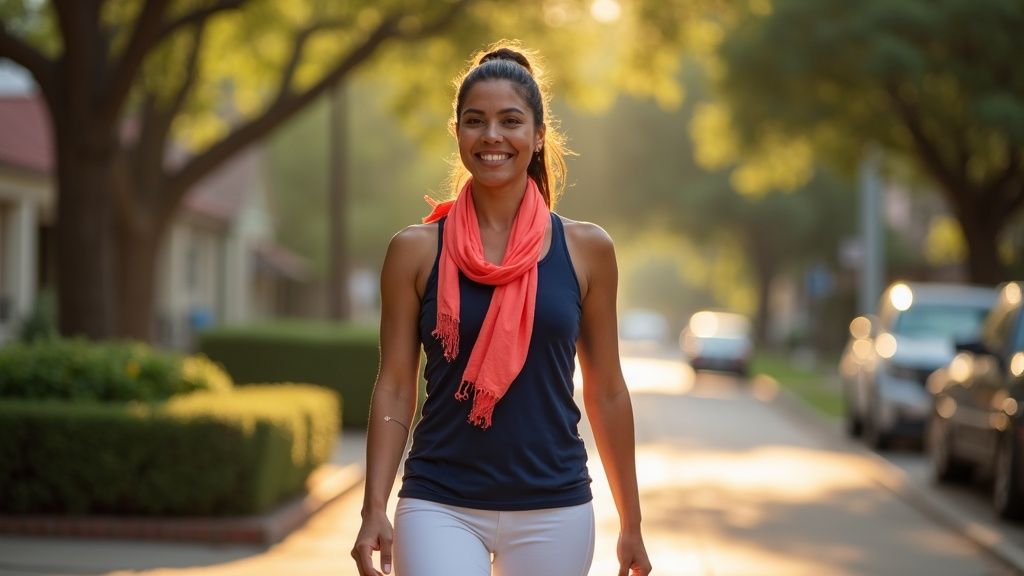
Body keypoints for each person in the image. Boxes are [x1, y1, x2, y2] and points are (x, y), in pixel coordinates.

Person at [351, 41, 652, 576]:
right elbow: (396, 384)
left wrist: (631, 522)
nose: (492, 136)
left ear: (538, 137)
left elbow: (607, 390)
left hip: (554, 505)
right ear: (458, 133)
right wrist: (374, 505)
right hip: (438, 501)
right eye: (475, 121)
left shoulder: (587, 250)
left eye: (510, 121)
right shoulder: (415, 250)